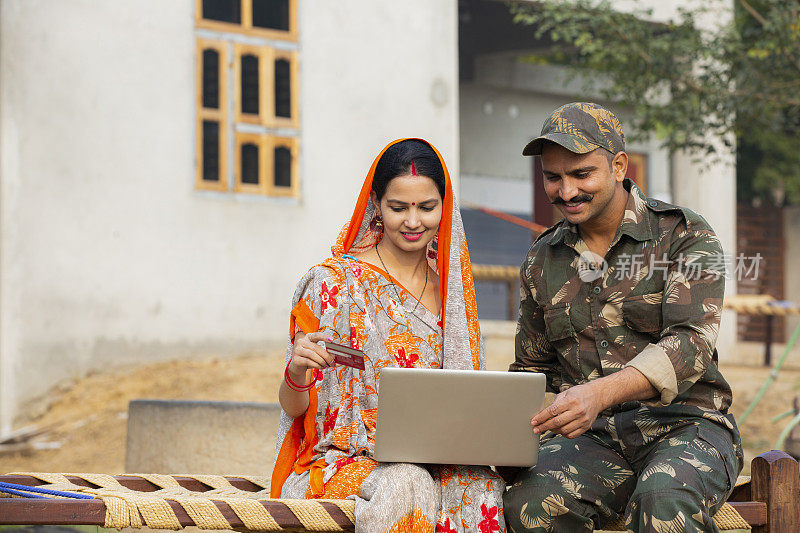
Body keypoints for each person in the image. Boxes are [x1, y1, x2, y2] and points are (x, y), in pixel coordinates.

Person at [503, 103, 742, 532]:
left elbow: (690, 344)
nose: (566, 191)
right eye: (552, 177)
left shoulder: (684, 236)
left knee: (662, 502)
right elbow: (531, 370)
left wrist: (597, 393)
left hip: (686, 426)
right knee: (530, 502)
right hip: (589, 439)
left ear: (618, 165)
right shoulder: (542, 258)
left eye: (581, 175)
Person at [270, 138, 506, 533]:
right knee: (406, 483)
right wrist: (295, 374)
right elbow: (295, 409)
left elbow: (463, 399)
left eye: (427, 207)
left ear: (444, 207)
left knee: (479, 488)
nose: (413, 222)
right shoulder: (335, 285)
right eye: (399, 208)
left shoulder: (452, 296)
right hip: (342, 463)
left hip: (435, 455)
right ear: (377, 204)